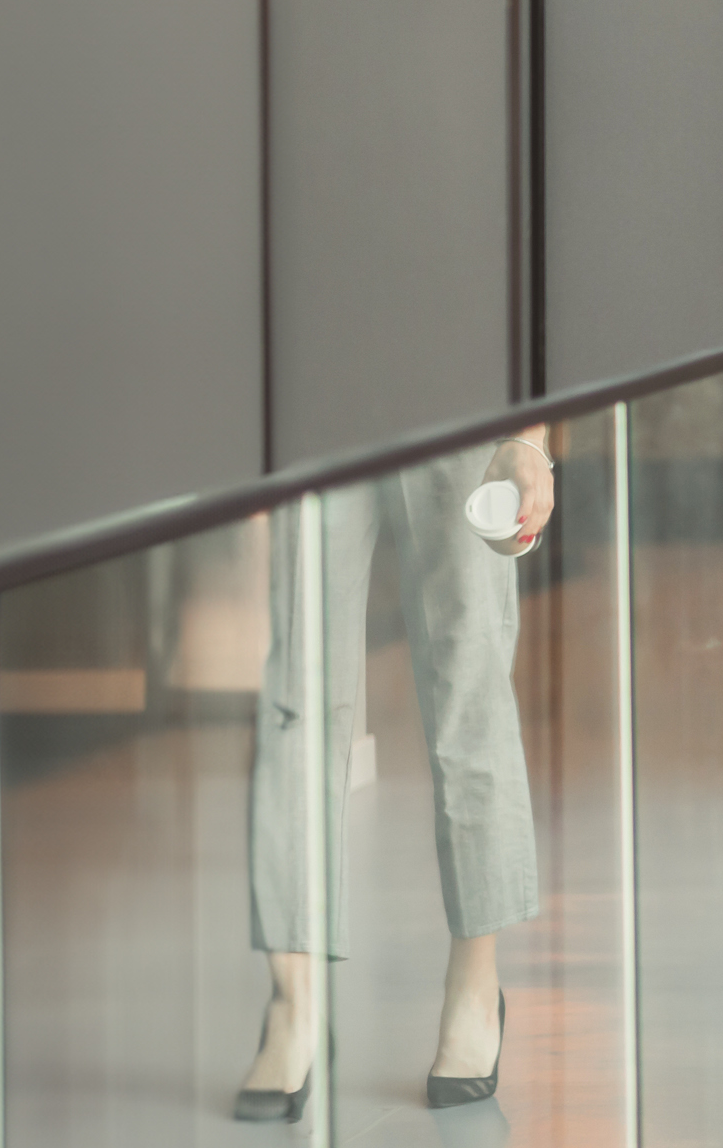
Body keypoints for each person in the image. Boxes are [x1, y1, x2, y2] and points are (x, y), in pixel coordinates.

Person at [236, 433, 558, 1121]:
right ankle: (293, 1004)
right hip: (320, 386)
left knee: (469, 686)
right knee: (298, 694)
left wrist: (529, 437)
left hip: (458, 386)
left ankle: (476, 985)